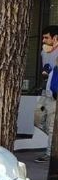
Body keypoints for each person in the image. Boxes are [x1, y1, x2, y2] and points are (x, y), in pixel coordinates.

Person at [35, 25, 58, 163]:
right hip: (46, 92)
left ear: (55, 38)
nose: (43, 40)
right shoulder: (44, 52)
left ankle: (49, 154)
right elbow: (47, 72)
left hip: (55, 95)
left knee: (51, 126)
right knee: (38, 119)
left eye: (46, 38)